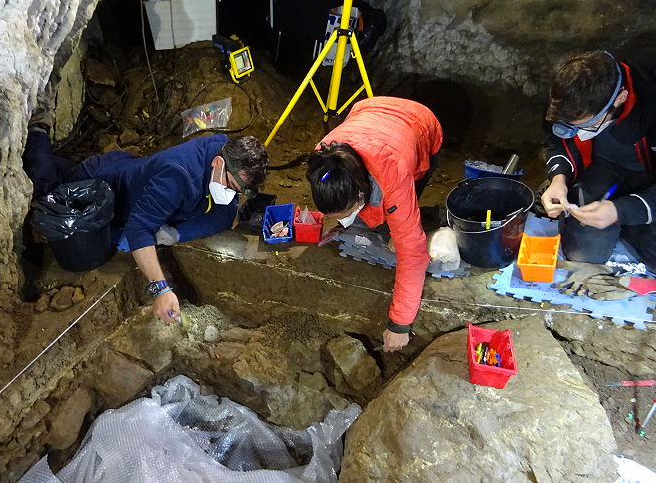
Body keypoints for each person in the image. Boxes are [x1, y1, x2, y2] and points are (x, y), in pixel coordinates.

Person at [23, 114, 269, 323]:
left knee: (63, 173)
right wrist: (160, 288)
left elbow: (224, 215)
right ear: (218, 163)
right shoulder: (179, 176)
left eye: (238, 191)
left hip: (128, 169)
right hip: (101, 184)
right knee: (49, 194)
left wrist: (178, 234)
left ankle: (46, 157)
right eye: (231, 186)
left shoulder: (228, 155)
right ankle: (38, 132)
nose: (232, 195)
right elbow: (139, 228)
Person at [306, 96, 443, 352]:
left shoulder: (395, 175)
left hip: (420, 124)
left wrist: (399, 325)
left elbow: (413, 254)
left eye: (346, 213)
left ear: (361, 195)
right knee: (379, 220)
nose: (343, 220)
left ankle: (429, 216)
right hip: (367, 110)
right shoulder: (324, 163)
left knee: (403, 222)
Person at [541, 50, 656, 269]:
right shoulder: (569, 96)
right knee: (583, 252)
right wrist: (558, 179)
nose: (577, 131)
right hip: (604, 169)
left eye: (586, 125)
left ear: (619, 99)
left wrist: (621, 210)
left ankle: (631, 228)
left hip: (650, 180)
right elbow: (558, 142)